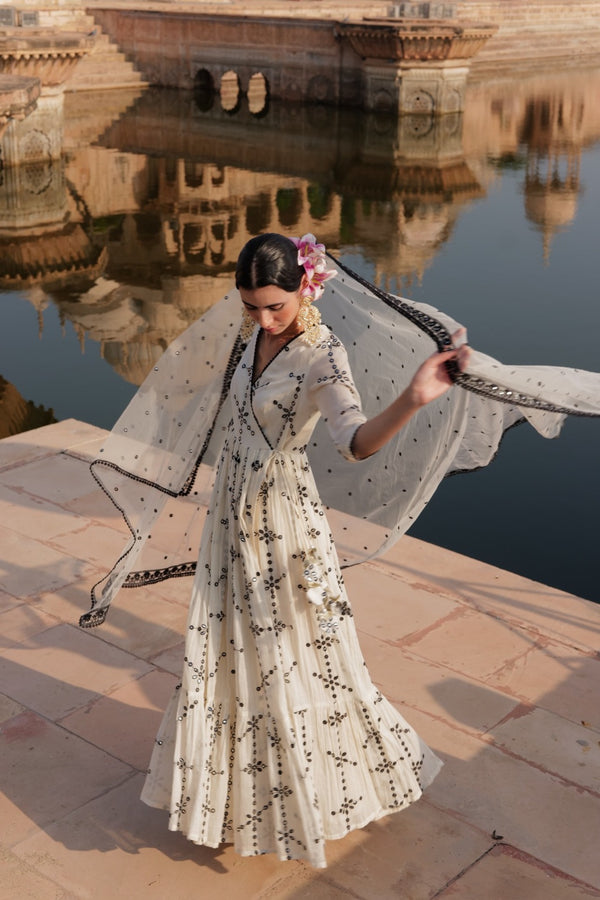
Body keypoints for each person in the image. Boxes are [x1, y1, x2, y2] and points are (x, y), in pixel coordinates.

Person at [80, 232, 600, 868]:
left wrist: (413, 398)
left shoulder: (323, 355)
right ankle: (231, 792)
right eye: (251, 306)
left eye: (274, 305)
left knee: (288, 654)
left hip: (281, 525)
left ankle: (308, 794)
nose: (263, 318)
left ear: (305, 287)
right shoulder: (251, 336)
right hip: (230, 515)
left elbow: (354, 441)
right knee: (228, 650)